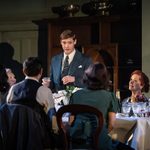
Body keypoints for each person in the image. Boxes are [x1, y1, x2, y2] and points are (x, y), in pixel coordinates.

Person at [69, 62, 134, 150]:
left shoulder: (76, 95)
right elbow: (111, 125)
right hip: (100, 143)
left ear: (86, 76)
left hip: (76, 144)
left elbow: (70, 121)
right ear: (105, 78)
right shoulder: (110, 96)